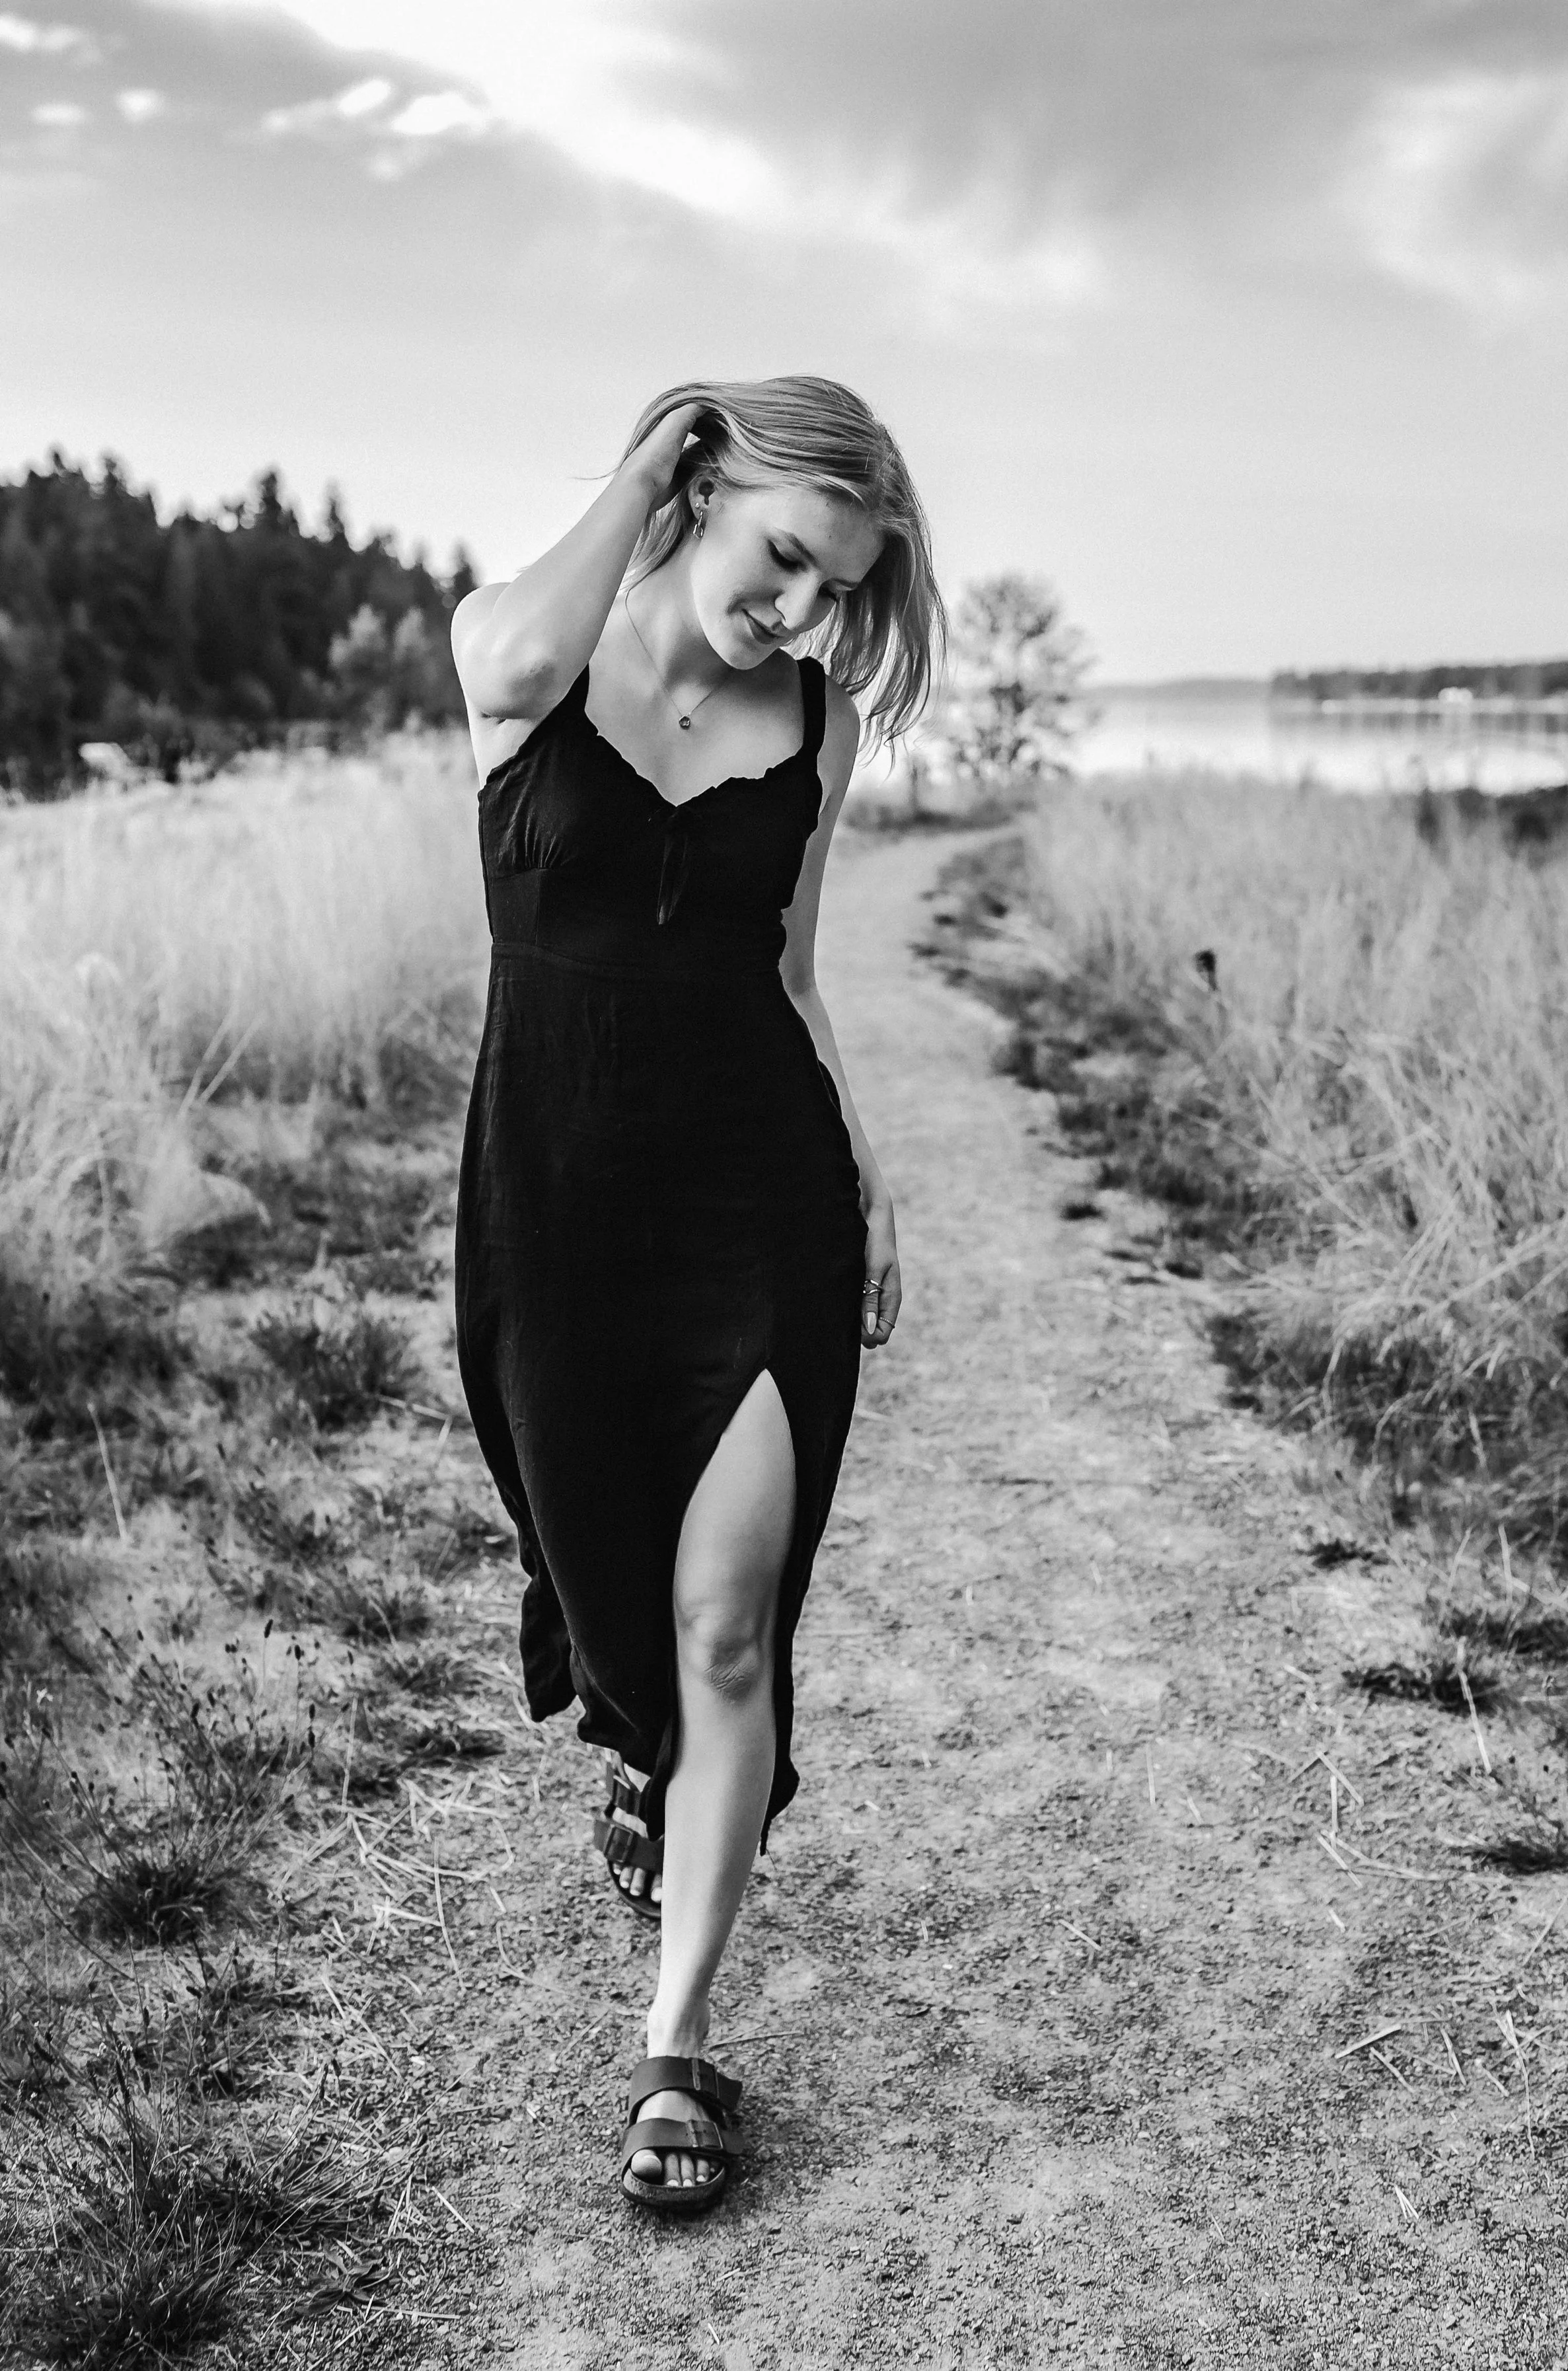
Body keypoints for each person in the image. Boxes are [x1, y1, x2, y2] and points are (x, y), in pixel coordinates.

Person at [451, 376, 943, 2212]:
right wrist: (639, 476)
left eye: (839, 592)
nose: (805, 616)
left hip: (760, 1207)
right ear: (704, 480)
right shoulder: (534, 660)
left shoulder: (811, 726)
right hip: (554, 1207)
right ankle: (632, 1739)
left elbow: (796, 977)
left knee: (730, 1629)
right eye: (787, 559)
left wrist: (868, 1175)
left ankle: (674, 2048)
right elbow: (504, 655)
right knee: (614, 1596)